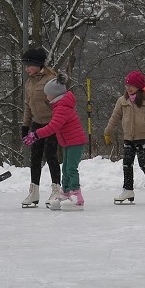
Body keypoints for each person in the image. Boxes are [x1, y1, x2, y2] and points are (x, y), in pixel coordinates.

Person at [23, 72, 88, 210]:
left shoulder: (62, 107)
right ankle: (66, 193)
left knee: (71, 168)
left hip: (75, 142)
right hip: (68, 142)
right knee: (65, 168)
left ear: (54, 94)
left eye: (47, 94)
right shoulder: (59, 106)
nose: (46, 97)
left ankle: (76, 196)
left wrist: (36, 134)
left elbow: (53, 127)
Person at [104, 71, 145, 205]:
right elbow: (115, 117)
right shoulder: (122, 100)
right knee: (127, 163)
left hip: (143, 137)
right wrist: (107, 132)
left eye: (131, 85)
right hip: (128, 137)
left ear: (139, 86)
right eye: (127, 85)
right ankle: (128, 189)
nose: (128, 88)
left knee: (144, 163)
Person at [20, 48, 62, 208]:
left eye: (28, 65)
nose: (26, 69)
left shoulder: (52, 79)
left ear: (37, 64)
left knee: (50, 154)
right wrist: (25, 126)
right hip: (37, 124)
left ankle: (56, 189)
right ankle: (34, 191)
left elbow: (60, 104)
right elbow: (27, 106)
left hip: (52, 123)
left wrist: (59, 123)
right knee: (35, 156)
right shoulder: (29, 83)